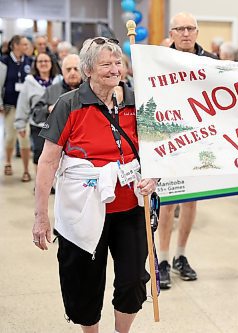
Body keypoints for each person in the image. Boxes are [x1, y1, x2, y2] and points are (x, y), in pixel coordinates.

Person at [32, 37, 158, 333]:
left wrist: (155, 176)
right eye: (106, 64)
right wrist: (41, 216)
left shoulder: (136, 101)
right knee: (84, 282)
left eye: (118, 63)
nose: (115, 70)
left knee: (133, 281)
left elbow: (157, 148)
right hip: (83, 209)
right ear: (88, 70)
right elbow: (48, 162)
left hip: (131, 208)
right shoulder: (69, 104)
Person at [157, 12, 218, 291]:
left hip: (199, 141)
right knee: (169, 203)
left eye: (190, 28)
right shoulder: (159, 61)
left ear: (197, 31)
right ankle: (163, 260)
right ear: (171, 33)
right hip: (169, 142)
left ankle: (181, 255)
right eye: (179, 28)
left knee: (192, 201)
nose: (185, 33)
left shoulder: (211, 62)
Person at [29, 54, 82, 180]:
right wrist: (49, 109)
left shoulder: (91, 90)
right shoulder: (51, 91)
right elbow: (36, 114)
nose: (73, 73)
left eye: (76, 69)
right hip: (58, 147)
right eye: (68, 69)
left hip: (83, 148)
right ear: (62, 71)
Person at [14, 52, 61, 176]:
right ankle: (40, 182)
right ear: (36, 64)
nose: (43, 64)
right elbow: (23, 104)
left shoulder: (60, 80)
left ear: (52, 63)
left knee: (57, 155)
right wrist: (20, 124)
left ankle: (53, 183)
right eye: (40, 61)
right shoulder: (29, 82)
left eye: (46, 61)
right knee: (39, 152)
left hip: (58, 124)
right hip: (38, 124)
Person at [0, 35, 33, 180]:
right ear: (15, 45)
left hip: (25, 108)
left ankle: (26, 170)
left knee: (24, 139)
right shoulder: (4, 62)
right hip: (9, 106)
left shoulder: (29, 61)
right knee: (10, 137)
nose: (27, 47)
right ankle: (7, 162)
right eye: (24, 44)